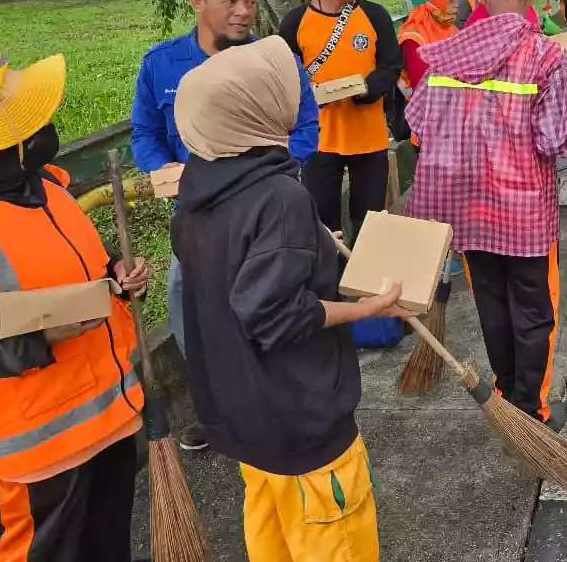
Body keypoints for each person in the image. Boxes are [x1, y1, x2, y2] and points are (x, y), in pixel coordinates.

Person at [170, 36, 407, 562]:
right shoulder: (279, 198)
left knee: (271, 540)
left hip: (246, 421)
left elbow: (240, 272)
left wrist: (306, 236)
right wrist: (371, 307)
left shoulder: (197, 193)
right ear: (258, 108)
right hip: (304, 426)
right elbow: (274, 314)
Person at [0, 51, 150, 562]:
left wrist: (117, 279)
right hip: (36, 453)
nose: (43, 130)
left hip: (109, 422)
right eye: (29, 126)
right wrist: (38, 341)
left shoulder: (52, 190)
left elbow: (84, 271)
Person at [131, 0, 319, 451]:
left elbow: (306, 129)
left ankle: (278, 400)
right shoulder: (162, 64)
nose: (243, 12)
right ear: (198, 1)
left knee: (277, 305)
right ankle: (216, 408)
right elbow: (145, 133)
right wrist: (160, 167)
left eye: (251, 2)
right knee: (193, 308)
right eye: (231, 0)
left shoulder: (274, 64)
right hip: (196, 220)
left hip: (268, 216)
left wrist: (269, 171)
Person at [404, 0, 567, 425]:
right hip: (524, 212)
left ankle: (508, 392)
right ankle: (532, 409)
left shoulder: (444, 53)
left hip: (465, 212)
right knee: (534, 311)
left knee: (492, 306)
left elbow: (417, 123)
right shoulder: (544, 54)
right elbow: (555, 138)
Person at [279, 0, 402, 238]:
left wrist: (366, 89)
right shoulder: (296, 22)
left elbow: (391, 66)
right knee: (323, 226)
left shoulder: (374, 16)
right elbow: (284, 77)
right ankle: (328, 282)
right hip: (318, 141)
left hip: (369, 140)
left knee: (371, 223)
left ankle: (367, 280)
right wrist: (311, 96)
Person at [400, 0, 467, 92]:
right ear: (432, 2)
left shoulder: (451, 29)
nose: (455, 5)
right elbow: (422, 86)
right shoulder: (413, 39)